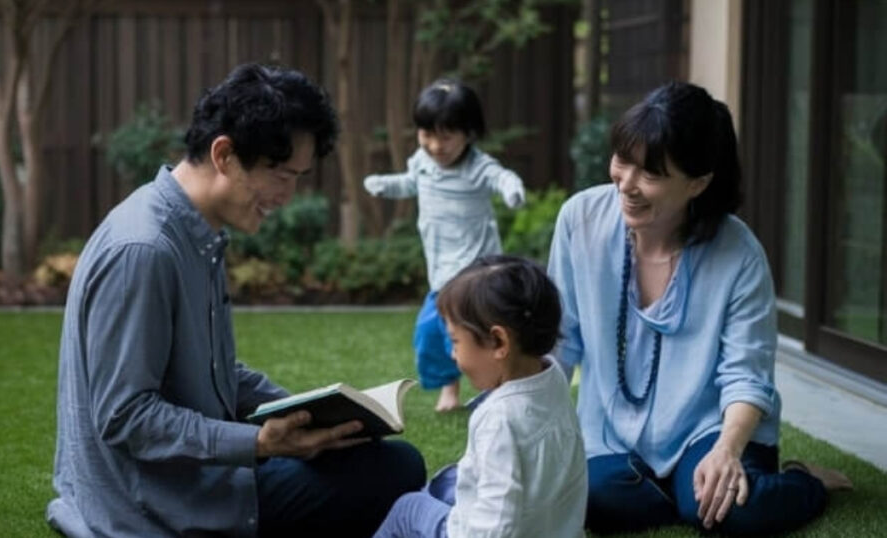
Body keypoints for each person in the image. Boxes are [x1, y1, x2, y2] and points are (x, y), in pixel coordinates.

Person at [46, 63, 426, 538]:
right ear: (224, 154)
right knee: (393, 471)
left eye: (298, 178)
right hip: (153, 505)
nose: (287, 196)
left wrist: (312, 413)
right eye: (282, 175)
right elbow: (126, 418)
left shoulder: (196, 232)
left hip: (199, 476)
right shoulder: (144, 249)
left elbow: (214, 371)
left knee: (369, 457)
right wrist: (259, 443)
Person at [546, 81, 852, 535]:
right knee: (591, 500)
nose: (625, 184)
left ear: (698, 182)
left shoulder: (740, 254)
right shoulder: (579, 219)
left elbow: (747, 375)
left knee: (734, 511)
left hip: (712, 427)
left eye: (650, 173)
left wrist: (727, 450)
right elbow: (559, 338)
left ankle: (805, 482)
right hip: (612, 431)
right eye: (623, 161)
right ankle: (683, 493)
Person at [373, 255, 588, 538]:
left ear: (499, 342)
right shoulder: (552, 375)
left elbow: (496, 524)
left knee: (409, 508)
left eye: (455, 341)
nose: (453, 354)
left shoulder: (498, 420)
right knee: (445, 483)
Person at [363, 79, 527, 412]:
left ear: (468, 133)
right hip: (442, 275)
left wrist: (513, 190)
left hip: (478, 273)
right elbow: (409, 183)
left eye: (446, 136)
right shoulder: (422, 161)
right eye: (427, 135)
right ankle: (449, 389)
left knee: (485, 334)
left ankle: (500, 387)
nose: (436, 145)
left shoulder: (478, 167)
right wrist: (384, 185)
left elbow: (502, 176)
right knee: (431, 334)